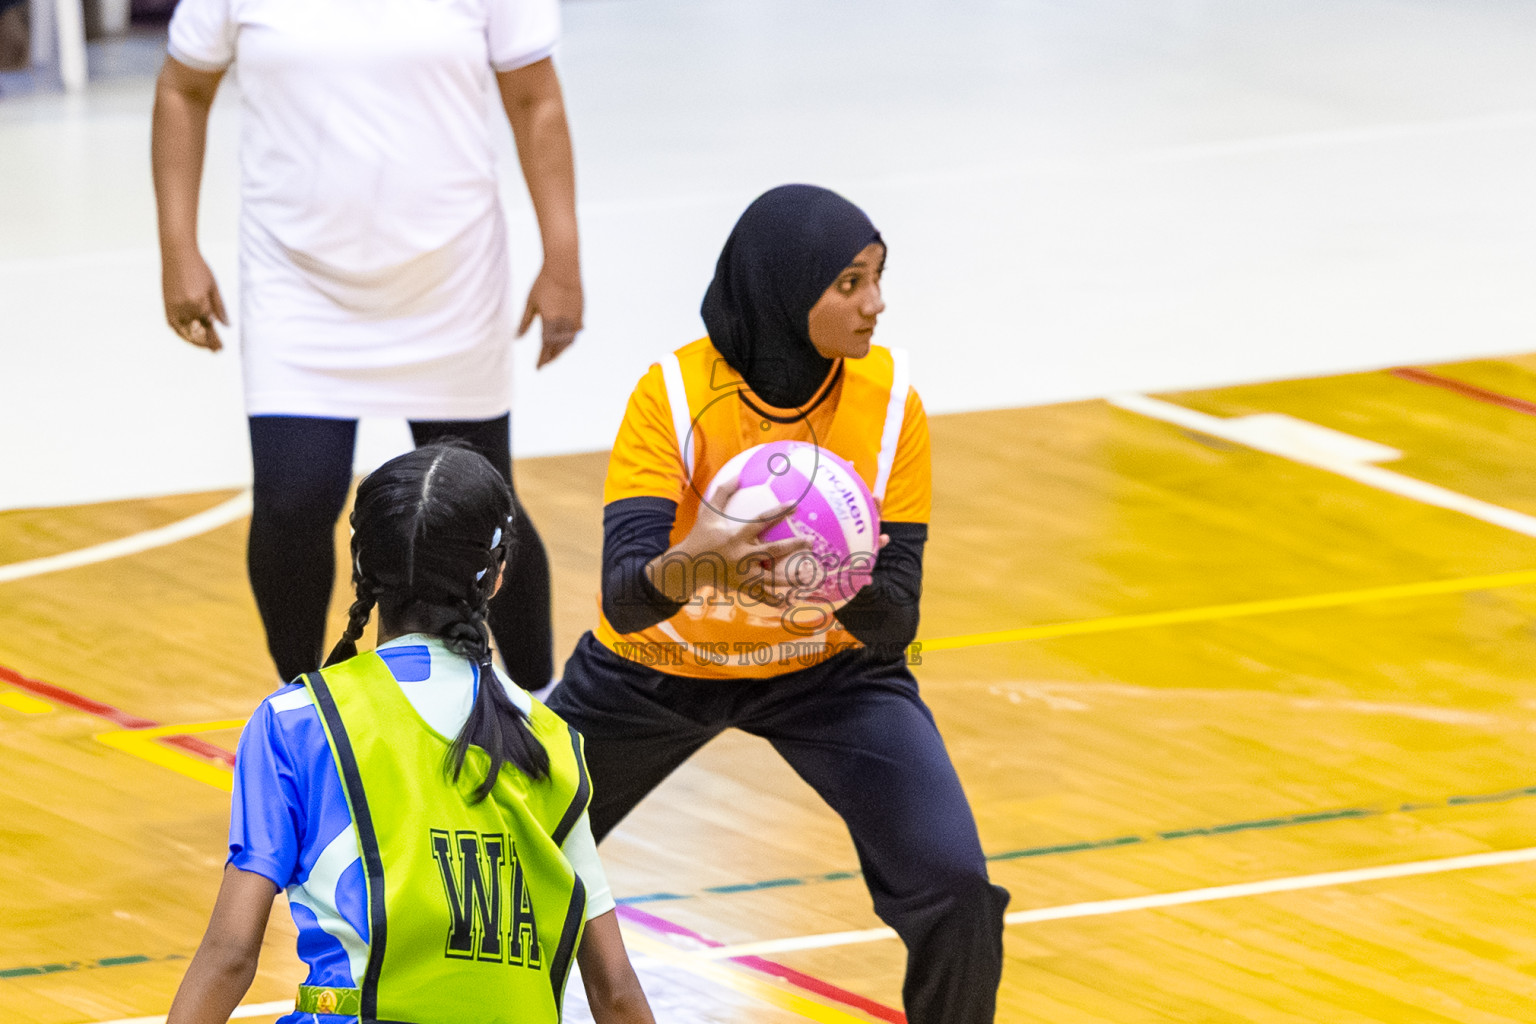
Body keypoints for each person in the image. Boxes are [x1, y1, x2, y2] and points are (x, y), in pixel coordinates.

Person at [547, 184, 1010, 1024]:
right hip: (655, 671)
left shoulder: (890, 397)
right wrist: (700, 565)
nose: (875, 304)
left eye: (877, 277)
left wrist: (830, 582)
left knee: (955, 889)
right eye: (849, 283)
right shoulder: (676, 396)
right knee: (513, 869)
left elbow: (898, 614)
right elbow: (625, 597)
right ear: (785, 291)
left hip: (830, 676)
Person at [150, 0, 581, 686]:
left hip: (451, 277)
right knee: (294, 502)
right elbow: (183, 87)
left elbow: (535, 99)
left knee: (483, 499)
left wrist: (563, 255)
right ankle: (302, 704)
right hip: (296, 283)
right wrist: (178, 250)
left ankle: (544, 706)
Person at [166, 443, 655, 1024]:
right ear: (496, 576)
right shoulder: (549, 738)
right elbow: (616, 990)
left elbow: (229, 956)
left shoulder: (298, 719)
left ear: (360, 568)